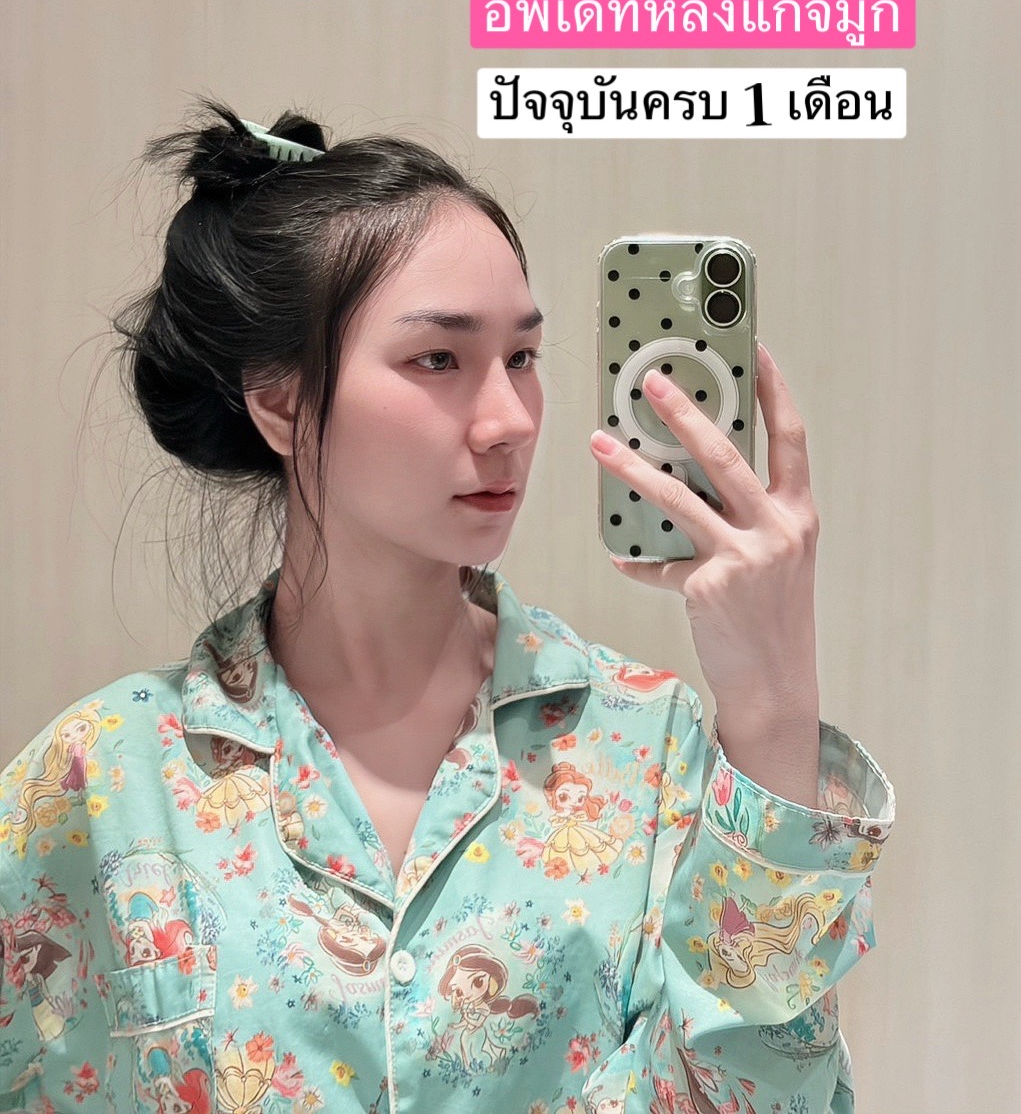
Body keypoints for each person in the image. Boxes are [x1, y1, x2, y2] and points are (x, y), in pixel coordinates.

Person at [0, 100, 894, 1113]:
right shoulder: (103, 780)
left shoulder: (650, 755)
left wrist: (773, 705)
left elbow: (770, 1093)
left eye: (522, 357)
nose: (510, 419)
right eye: (439, 358)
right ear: (282, 401)